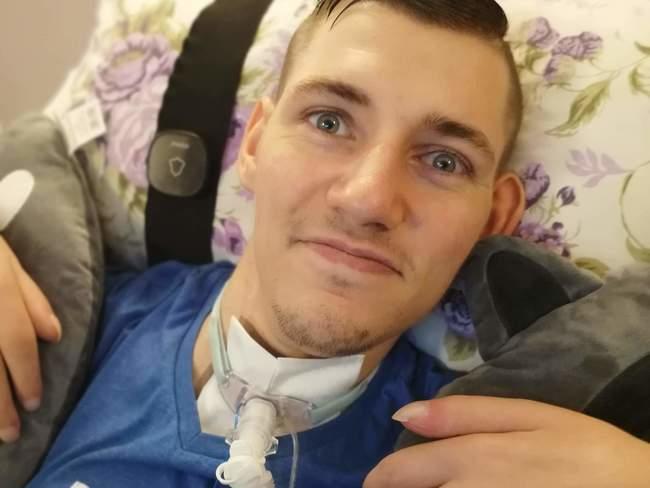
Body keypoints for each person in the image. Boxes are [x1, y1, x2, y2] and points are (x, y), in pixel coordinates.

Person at [1, 0, 649, 486]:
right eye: (330, 121)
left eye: (444, 161)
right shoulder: (69, 324)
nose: (368, 199)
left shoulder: (489, 451)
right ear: (255, 144)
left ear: (494, 216)